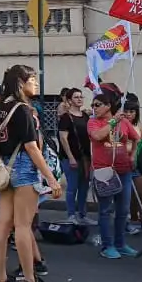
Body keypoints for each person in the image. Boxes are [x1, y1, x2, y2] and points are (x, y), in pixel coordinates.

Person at [0, 65, 61, 282]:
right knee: (23, 225)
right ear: (21, 83)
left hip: (4, 166)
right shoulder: (23, 109)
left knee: (3, 223)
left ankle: (1, 278)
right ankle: (30, 280)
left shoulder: (0, 107)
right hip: (23, 166)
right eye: (32, 79)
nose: (36, 84)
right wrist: (51, 178)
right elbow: (32, 147)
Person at [86, 92, 139, 259]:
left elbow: (136, 137)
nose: (94, 108)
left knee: (123, 210)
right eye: (93, 105)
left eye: (97, 105)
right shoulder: (93, 122)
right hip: (104, 171)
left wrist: (132, 156)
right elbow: (98, 136)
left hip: (124, 170)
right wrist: (113, 120)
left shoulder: (124, 122)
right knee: (105, 210)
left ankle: (120, 243)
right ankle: (107, 245)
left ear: (108, 106)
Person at [57, 88, 91, 225]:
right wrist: (70, 157)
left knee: (84, 186)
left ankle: (82, 214)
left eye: (81, 97)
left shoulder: (85, 116)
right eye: (76, 97)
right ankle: (71, 215)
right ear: (70, 100)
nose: (80, 99)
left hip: (85, 158)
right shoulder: (66, 117)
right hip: (70, 157)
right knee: (72, 187)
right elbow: (63, 139)